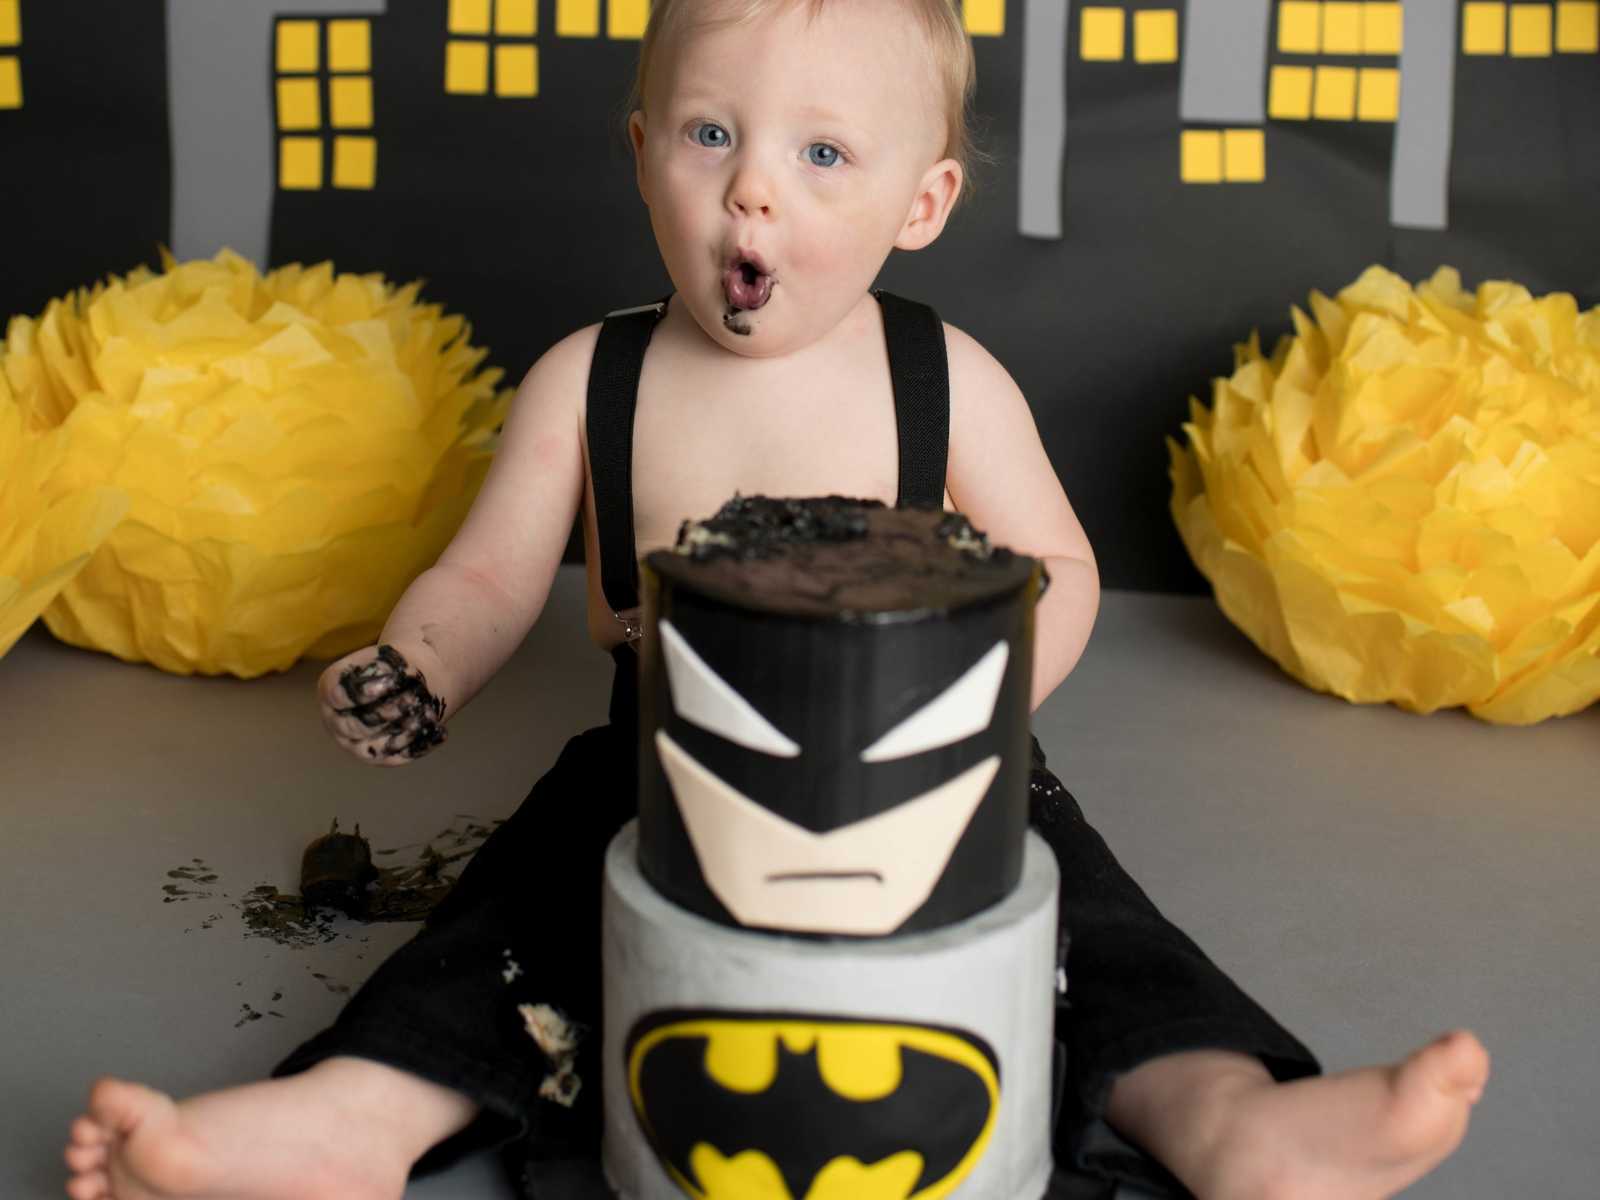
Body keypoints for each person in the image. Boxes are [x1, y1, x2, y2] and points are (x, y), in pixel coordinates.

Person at [65, 1, 1490, 1197]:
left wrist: (976, 717)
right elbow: (491, 571)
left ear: (919, 201)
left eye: (822, 154)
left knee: (1095, 928)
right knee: (514, 921)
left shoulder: (946, 378)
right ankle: (354, 1124)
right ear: (640, 156)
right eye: (710, 135)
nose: (755, 190)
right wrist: (420, 662)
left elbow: (1062, 568)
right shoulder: (591, 378)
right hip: (664, 752)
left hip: (931, 749)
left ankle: (1226, 1114)